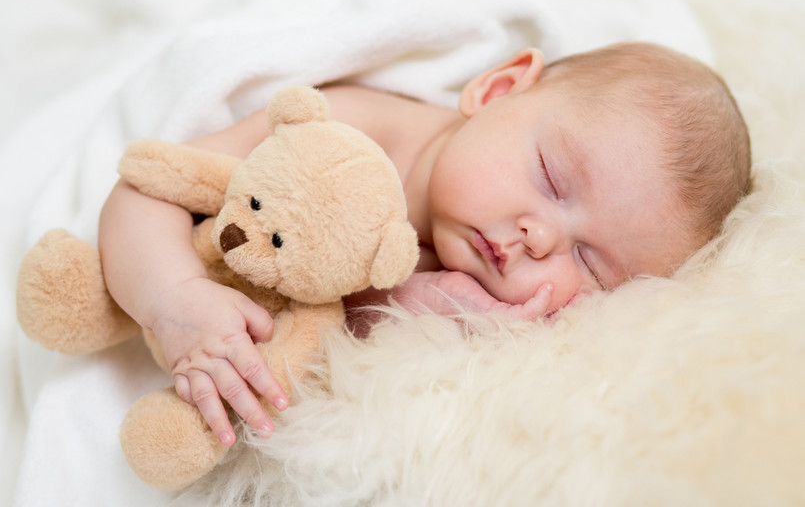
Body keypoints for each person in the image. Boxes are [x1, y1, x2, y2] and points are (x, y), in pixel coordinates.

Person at [98, 41, 751, 448]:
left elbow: (324, 324)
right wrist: (172, 299)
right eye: (551, 178)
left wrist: (415, 303)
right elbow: (145, 190)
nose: (541, 238)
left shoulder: (466, 283)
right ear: (495, 91)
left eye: (588, 262)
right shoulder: (343, 133)